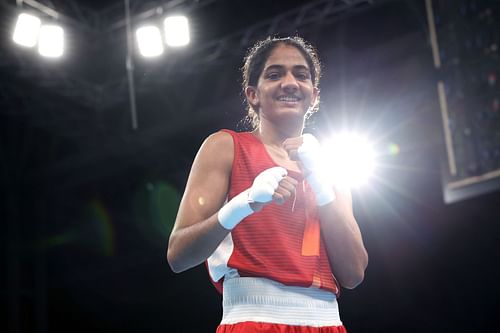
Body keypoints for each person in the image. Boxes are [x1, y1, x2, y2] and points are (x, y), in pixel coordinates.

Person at [167, 36, 368, 333]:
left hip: (328, 323)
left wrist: (322, 183)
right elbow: (178, 255)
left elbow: (353, 273)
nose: (289, 82)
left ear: (314, 95)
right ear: (253, 94)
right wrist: (243, 203)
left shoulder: (328, 166)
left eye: (301, 74)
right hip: (253, 318)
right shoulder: (226, 146)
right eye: (275, 74)